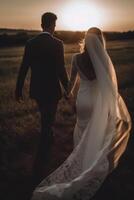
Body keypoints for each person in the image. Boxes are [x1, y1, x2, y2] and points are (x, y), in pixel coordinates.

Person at [31, 27, 131, 200]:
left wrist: (67, 94)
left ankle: (83, 161)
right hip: (97, 103)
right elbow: (109, 87)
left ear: (86, 39)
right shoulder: (103, 60)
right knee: (97, 132)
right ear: (100, 42)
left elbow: (71, 83)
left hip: (83, 101)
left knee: (82, 130)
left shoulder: (76, 58)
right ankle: (94, 163)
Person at [15, 12, 69, 175]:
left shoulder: (30, 43)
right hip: (53, 90)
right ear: (52, 25)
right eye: (54, 25)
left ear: (41, 25)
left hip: (37, 90)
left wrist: (18, 89)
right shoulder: (58, 44)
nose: (54, 27)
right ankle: (40, 162)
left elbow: (24, 67)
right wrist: (67, 88)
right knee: (47, 120)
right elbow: (61, 69)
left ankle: (48, 137)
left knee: (46, 117)